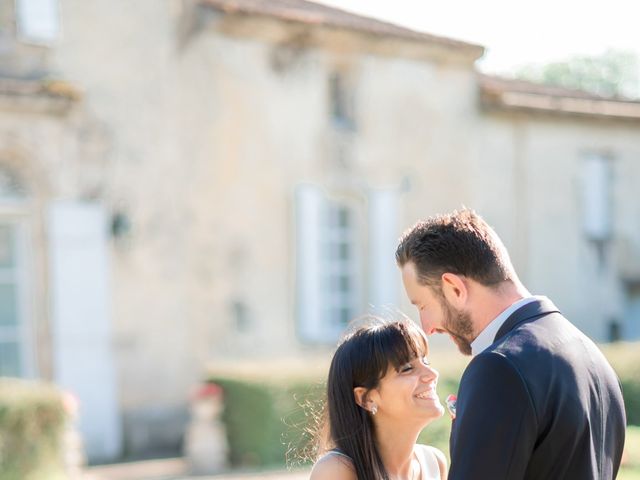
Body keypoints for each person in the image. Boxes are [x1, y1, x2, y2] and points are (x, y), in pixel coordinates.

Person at [395, 209, 626, 479]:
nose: (427, 327)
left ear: (454, 288)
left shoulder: (499, 367)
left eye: (423, 305)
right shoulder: (593, 357)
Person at [310, 319, 447, 480]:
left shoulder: (435, 463)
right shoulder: (336, 470)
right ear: (366, 398)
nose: (432, 374)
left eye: (425, 361)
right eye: (407, 369)